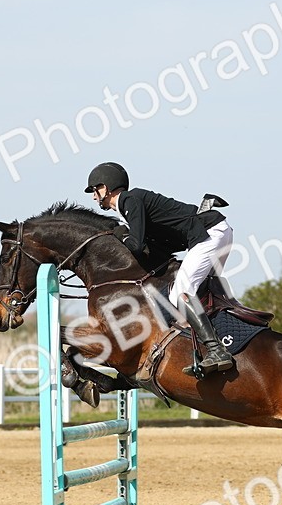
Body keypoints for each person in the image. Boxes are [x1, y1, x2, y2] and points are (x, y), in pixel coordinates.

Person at [84, 161, 235, 376]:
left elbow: (135, 246)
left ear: (106, 187)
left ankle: (216, 350)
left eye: (95, 190)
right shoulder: (127, 208)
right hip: (214, 232)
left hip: (210, 234)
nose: (94, 196)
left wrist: (123, 235)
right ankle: (213, 345)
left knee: (181, 291)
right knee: (197, 293)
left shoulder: (129, 200)